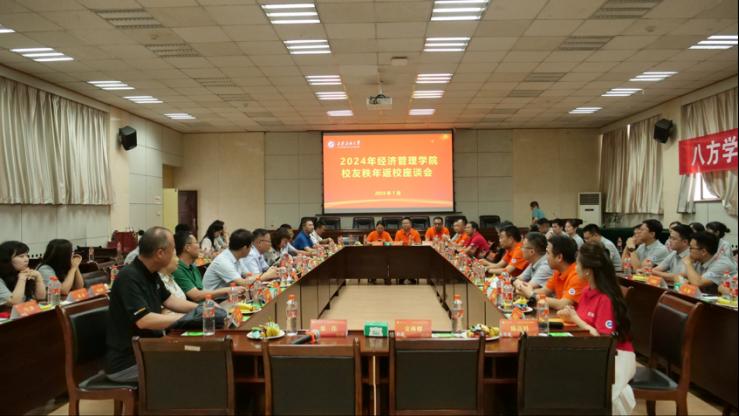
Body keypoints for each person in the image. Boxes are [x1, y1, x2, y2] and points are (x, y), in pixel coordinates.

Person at [105, 227, 198, 383]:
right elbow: (144, 320)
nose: (175, 254)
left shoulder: (151, 273)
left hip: (149, 349)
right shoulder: (129, 277)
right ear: (160, 253)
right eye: (173, 250)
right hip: (128, 362)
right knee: (191, 364)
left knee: (197, 354)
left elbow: (170, 300)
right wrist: (188, 318)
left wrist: (201, 309)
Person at [556, 242, 636, 415]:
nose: (575, 267)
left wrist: (576, 319)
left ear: (588, 270)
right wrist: (569, 316)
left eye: (578, 263)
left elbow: (604, 340)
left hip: (616, 355)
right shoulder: (587, 290)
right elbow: (584, 320)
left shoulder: (606, 299)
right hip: (592, 351)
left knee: (594, 392)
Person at [515, 235, 586, 310]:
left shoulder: (577, 275)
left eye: (548, 253)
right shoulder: (558, 272)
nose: (546, 257)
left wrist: (531, 294)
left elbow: (562, 304)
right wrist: (525, 291)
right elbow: (544, 291)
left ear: (559, 257)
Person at [172, 231, 241, 302]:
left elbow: (202, 291)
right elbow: (196, 296)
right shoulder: (177, 269)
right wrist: (228, 290)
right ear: (187, 248)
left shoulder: (193, 266)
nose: (199, 246)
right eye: (196, 242)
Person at [0, 241, 46, 305]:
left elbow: (41, 297)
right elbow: (15, 302)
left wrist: (38, 277)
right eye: (21, 256)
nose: (26, 259)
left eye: (27, 255)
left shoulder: (22, 272)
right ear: (7, 260)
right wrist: (22, 278)